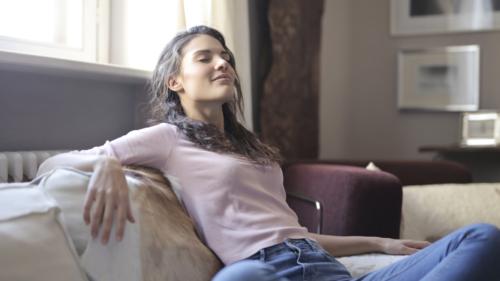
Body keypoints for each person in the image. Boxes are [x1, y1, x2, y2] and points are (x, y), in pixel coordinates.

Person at [38, 25, 500, 281]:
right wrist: (105, 162)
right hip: (259, 271)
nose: (223, 63)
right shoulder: (168, 138)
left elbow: (294, 233)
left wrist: (380, 243)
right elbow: (50, 164)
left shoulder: (253, 149)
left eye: (226, 57)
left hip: (321, 267)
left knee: (481, 237)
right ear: (174, 82)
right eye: (205, 57)